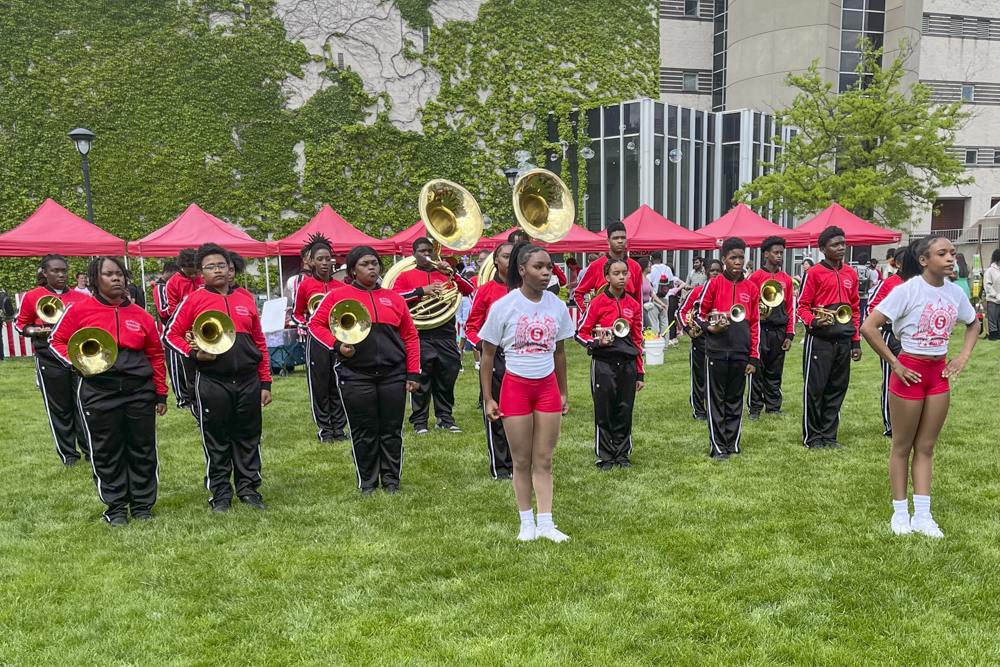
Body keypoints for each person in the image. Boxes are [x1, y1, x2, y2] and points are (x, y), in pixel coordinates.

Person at [861, 236, 979, 537]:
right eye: (943, 253)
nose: (951, 258)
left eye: (953, 253)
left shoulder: (955, 293)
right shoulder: (907, 291)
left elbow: (973, 323)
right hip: (909, 372)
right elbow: (869, 327)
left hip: (938, 375)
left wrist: (963, 356)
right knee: (902, 446)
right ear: (924, 260)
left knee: (926, 447)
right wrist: (895, 363)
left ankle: (923, 516)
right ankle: (900, 514)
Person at [50, 257, 168, 525]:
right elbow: (57, 340)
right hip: (98, 391)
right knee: (106, 450)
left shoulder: (142, 316)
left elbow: (156, 355)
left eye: (120, 274)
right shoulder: (79, 310)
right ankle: (115, 508)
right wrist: (78, 365)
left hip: (139, 391)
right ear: (95, 279)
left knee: (142, 449)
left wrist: (160, 393)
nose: (116, 279)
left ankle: (142, 506)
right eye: (109, 274)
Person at [166, 243, 272, 513]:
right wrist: (194, 354)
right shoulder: (194, 300)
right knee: (217, 438)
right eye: (210, 267)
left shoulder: (246, 298)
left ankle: (249, 490)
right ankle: (221, 494)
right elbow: (171, 335)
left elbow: (259, 342)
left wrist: (265, 382)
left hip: (248, 380)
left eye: (221, 265)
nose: (217, 270)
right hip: (212, 381)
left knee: (248, 437)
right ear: (201, 272)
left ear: (230, 268)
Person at [480, 241, 575, 542]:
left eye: (549, 267)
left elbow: (559, 353)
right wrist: (488, 398)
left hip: (546, 388)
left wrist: (563, 392)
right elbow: (487, 355)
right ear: (522, 270)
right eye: (539, 267)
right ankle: (526, 524)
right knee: (521, 461)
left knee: (544, 459)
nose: (546, 273)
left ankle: (546, 523)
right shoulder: (503, 306)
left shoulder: (558, 306)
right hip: (515, 388)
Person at [309, 246, 420, 495]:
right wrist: (337, 346)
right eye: (365, 264)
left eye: (375, 263)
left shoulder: (395, 299)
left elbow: (411, 337)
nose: (372, 268)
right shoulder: (338, 296)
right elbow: (315, 324)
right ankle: (368, 483)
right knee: (363, 431)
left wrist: (413, 373)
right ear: (352, 270)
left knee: (391, 431)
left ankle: (392, 482)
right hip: (355, 375)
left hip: (393, 374)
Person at [391, 237, 475, 434]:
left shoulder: (445, 274)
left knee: (448, 375)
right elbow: (396, 299)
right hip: (419, 333)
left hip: (445, 332)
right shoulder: (405, 276)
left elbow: (469, 289)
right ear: (413, 254)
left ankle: (444, 417)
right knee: (421, 377)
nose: (427, 254)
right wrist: (422, 291)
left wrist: (452, 273)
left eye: (430, 250)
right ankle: (420, 421)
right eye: (422, 251)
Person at [16, 254, 90, 464]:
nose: (61, 275)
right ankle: (69, 454)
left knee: (83, 405)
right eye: (55, 271)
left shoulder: (81, 297)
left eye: (64, 271)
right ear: (44, 272)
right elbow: (20, 324)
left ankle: (89, 451)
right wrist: (33, 330)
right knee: (59, 408)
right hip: (49, 358)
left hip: (77, 358)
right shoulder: (32, 296)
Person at [575, 257, 645, 470]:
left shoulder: (633, 304)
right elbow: (580, 333)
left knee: (625, 410)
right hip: (603, 364)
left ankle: (623, 455)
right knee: (604, 411)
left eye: (625, 273)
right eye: (616, 273)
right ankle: (606, 456)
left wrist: (639, 372)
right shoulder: (596, 303)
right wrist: (597, 342)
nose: (622, 277)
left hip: (627, 365)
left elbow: (638, 338)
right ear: (606, 277)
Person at [797, 226, 862, 449]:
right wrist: (814, 322)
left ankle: (829, 436)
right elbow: (802, 306)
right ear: (823, 249)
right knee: (815, 390)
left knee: (837, 389)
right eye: (835, 244)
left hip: (843, 341)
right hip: (820, 341)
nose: (841, 247)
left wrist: (856, 341)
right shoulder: (813, 273)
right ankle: (813, 437)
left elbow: (855, 308)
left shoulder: (851, 274)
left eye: (843, 243)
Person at [694, 238, 759, 460]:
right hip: (716, 352)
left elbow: (755, 324)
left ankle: (732, 443)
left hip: (741, 353)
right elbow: (697, 314)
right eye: (733, 258)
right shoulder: (712, 284)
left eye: (741, 257)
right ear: (724, 260)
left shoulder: (751, 288)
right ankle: (718, 446)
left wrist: (754, 357)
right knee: (716, 401)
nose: (738, 262)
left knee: (735, 400)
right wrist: (710, 327)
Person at [293, 234, 349, 443]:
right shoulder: (305, 286)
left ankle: (339, 429)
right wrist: (308, 326)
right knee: (319, 386)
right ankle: (325, 429)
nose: (325, 263)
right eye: (320, 259)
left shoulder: (342, 288)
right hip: (315, 342)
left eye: (328, 259)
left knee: (339, 383)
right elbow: (295, 314)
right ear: (312, 261)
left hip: (339, 341)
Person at [466, 243, 515, 480]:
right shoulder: (485, 291)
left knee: (523, 415)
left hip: (523, 359)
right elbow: (472, 326)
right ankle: (501, 468)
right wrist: (483, 346)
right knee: (497, 412)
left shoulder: (529, 289)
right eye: (506, 256)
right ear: (496, 261)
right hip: (496, 359)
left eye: (515, 256)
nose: (511, 260)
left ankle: (520, 465)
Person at [746, 236, 795, 419]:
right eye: (776, 252)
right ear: (766, 254)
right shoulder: (755, 277)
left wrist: (789, 334)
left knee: (775, 370)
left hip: (779, 331)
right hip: (760, 330)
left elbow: (790, 307)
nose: (779, 256)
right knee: (757, 370)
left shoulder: (786, 280)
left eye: (781, 253)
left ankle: (774, 407)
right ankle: (755, 409)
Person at [867, 248, 911, 437]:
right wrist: (889, 319)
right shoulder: (888, 283)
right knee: (891, 380)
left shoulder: (921, 283)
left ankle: (911, 423)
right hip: (891, 336)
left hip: (913, 338)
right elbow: (871, 306)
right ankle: (891, 426)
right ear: (898, 264)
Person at [679, 258, 722, 421]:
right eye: (713, 270)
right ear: (706, 272)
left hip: (721, 342)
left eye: (719, 270)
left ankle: (715, 408)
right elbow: (681, 312)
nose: (716, 274)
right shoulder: (696, 292)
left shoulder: (725, 292)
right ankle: (699, 410)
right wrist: (689, 330)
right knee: (699, 377)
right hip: (700, 341)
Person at [164, 248, 204, 410]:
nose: (194, 276)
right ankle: (185, 399)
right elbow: (172, 309)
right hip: (185, 330)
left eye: (196, 273)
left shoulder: (203, 278)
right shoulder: (173, 283)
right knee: (184, 368)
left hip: (204, 327)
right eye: (190, 273)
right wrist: (186, 328)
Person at [573, 222, 643, 310]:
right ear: (608, 241)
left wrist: (637, 321)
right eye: (616, 238)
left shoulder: (635, 267)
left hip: (628, 320)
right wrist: (588, 314)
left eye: (623, 238)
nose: (620, 241)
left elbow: (639, 300)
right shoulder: (596, 265)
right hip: (604, 321)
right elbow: (578, 294)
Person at [639, 258, 669, 334]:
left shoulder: (647, 280)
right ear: (645, 268)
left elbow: (652, 294)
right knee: (648, 326)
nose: (651, 268)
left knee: (647, 327)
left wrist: (662, 304)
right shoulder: (638, 279)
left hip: (646, 306)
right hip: (640, 306)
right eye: (649, 266)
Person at [151, 261, 179, 337]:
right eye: (174, 274)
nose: (176, 277)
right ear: (167, 272)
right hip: (169, 326)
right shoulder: (160, 287)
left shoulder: (170, 285)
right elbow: (163, 311)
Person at [457, 268, 476, 371]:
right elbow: (458, 314)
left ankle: (477, 363)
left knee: (475, 344)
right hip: (464, 325)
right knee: (462, 344)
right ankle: (460, 363)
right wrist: (462, 323)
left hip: (472, 324)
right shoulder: (462, 298)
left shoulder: (473, 296)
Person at [985, 249, 1000, 340]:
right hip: (993, 299)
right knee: (993, 318)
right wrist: (996, 295)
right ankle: (993, 335)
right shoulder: (990, 271)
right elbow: (987, 285)